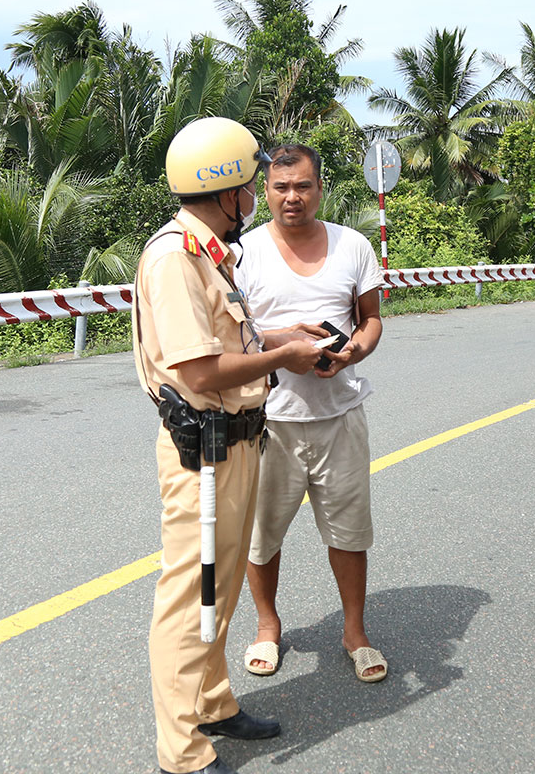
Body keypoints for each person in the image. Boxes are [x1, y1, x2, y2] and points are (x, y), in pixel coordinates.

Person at [132, 118, 330, 774]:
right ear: (226, 192)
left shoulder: (211, 247)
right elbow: (196, 371)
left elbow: (226, 337)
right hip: (204, 450)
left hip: (238, 442)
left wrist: (277, 335)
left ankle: (213, 703)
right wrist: (288, 355)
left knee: (220, 589)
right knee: (191, 595)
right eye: (250, 186)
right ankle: (181, 752)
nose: (256, 198)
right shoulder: (175, 257)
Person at [234, 144, 388, 684]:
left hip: (339, 414)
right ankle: (267, 625)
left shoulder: (354, 245)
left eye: (302, 186)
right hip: (267, 418)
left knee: (349, 531)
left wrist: (354, 352)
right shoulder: (244, 253)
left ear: (320, 188)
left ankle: (355, 630)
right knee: (261, 534)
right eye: (280, 188)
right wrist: (284, 346)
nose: (291, 197)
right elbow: (234, 335)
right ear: (264, 192)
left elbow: (370, 320)